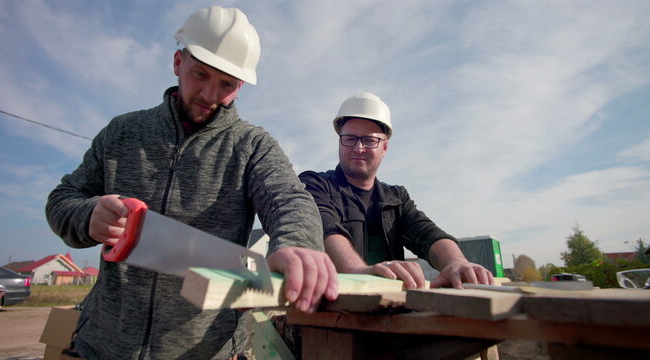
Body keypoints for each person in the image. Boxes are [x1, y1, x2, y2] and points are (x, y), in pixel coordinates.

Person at [45, 6, 337, 359]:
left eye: (227, 84)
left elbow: (290, 200)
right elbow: (62, 199)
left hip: (203, 351)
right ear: (177, 62)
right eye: (200, 74)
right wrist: (86, 214)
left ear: (241, 85)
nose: (210, 94)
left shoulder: (251, 145)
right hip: (103, 345)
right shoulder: (123, 133)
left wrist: (297, 243)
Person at [299, 92, 494, 290]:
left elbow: (426, 233)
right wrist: (358, 271)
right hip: (326, 308)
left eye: (369, 140)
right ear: (339, 142)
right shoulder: (315, 184)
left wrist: (456, 262)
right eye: (350, 138)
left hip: (387, 310)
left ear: (384, 148)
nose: (358, 148)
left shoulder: (396, 199)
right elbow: (324, 226)